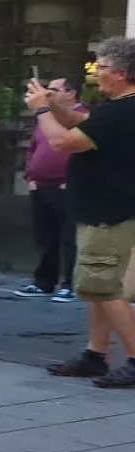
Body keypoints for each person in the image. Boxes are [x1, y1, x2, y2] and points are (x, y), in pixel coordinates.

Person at [29, 38, 135, 387]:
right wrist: (55, 105)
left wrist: (42, 110)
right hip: (104, 209)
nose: (95, 74)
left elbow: (63, 142)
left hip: (109, 212)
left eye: (101, 68)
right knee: (96, 286)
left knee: (102, 285)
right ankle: (95, 354)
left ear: (121, 74)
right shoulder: (118, 109)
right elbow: (81, 123)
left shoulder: (122, 112)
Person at [17, 75, 81, 301]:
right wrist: (30, 177)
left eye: (53, 90)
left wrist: (72, 179)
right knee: (45, 237)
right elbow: (33, 148)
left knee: (69, 238)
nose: (48, 95)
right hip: (41, 185)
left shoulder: (81, 118)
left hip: (67, 187)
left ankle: (69, 284)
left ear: (70, 93)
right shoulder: (45, 118)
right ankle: (44, 281)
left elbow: (81, 152)